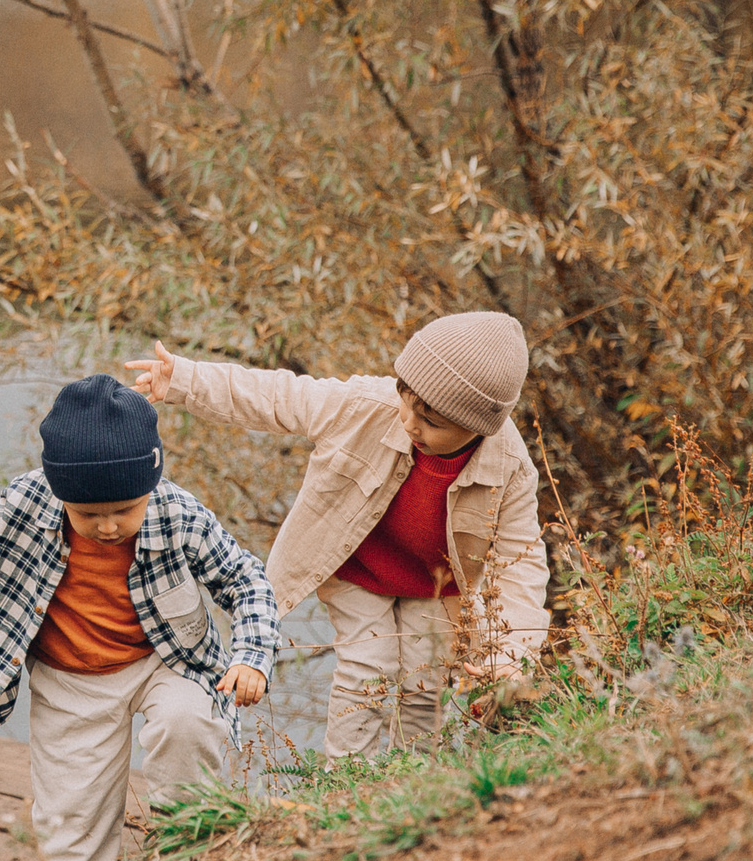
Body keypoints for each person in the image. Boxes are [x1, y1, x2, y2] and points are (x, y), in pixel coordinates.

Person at [123, 311, 549, 758]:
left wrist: (511, 658)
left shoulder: (510, 468)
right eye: (406, 402)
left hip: (435, 585)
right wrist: (187, 380)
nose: (409, 423)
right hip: (357, 566)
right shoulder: (365, 406)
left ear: (477, 427)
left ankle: (416, 777)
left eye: (431, 421)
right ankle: (348, 778)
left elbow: (520, 564)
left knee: (425, 684)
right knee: (368, 669)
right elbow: (280, 397)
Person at [0, 374, 276, 861]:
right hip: (70, 679)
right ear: (61, 493)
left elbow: (246, 581)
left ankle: (189, 857)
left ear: (149, 486)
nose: (108, 526)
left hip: (165, 662)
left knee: (187, 721)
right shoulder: (31, 502)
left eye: (125, 510)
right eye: (88, 514)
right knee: (71, 821)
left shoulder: (178, 514)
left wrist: (251, 656)